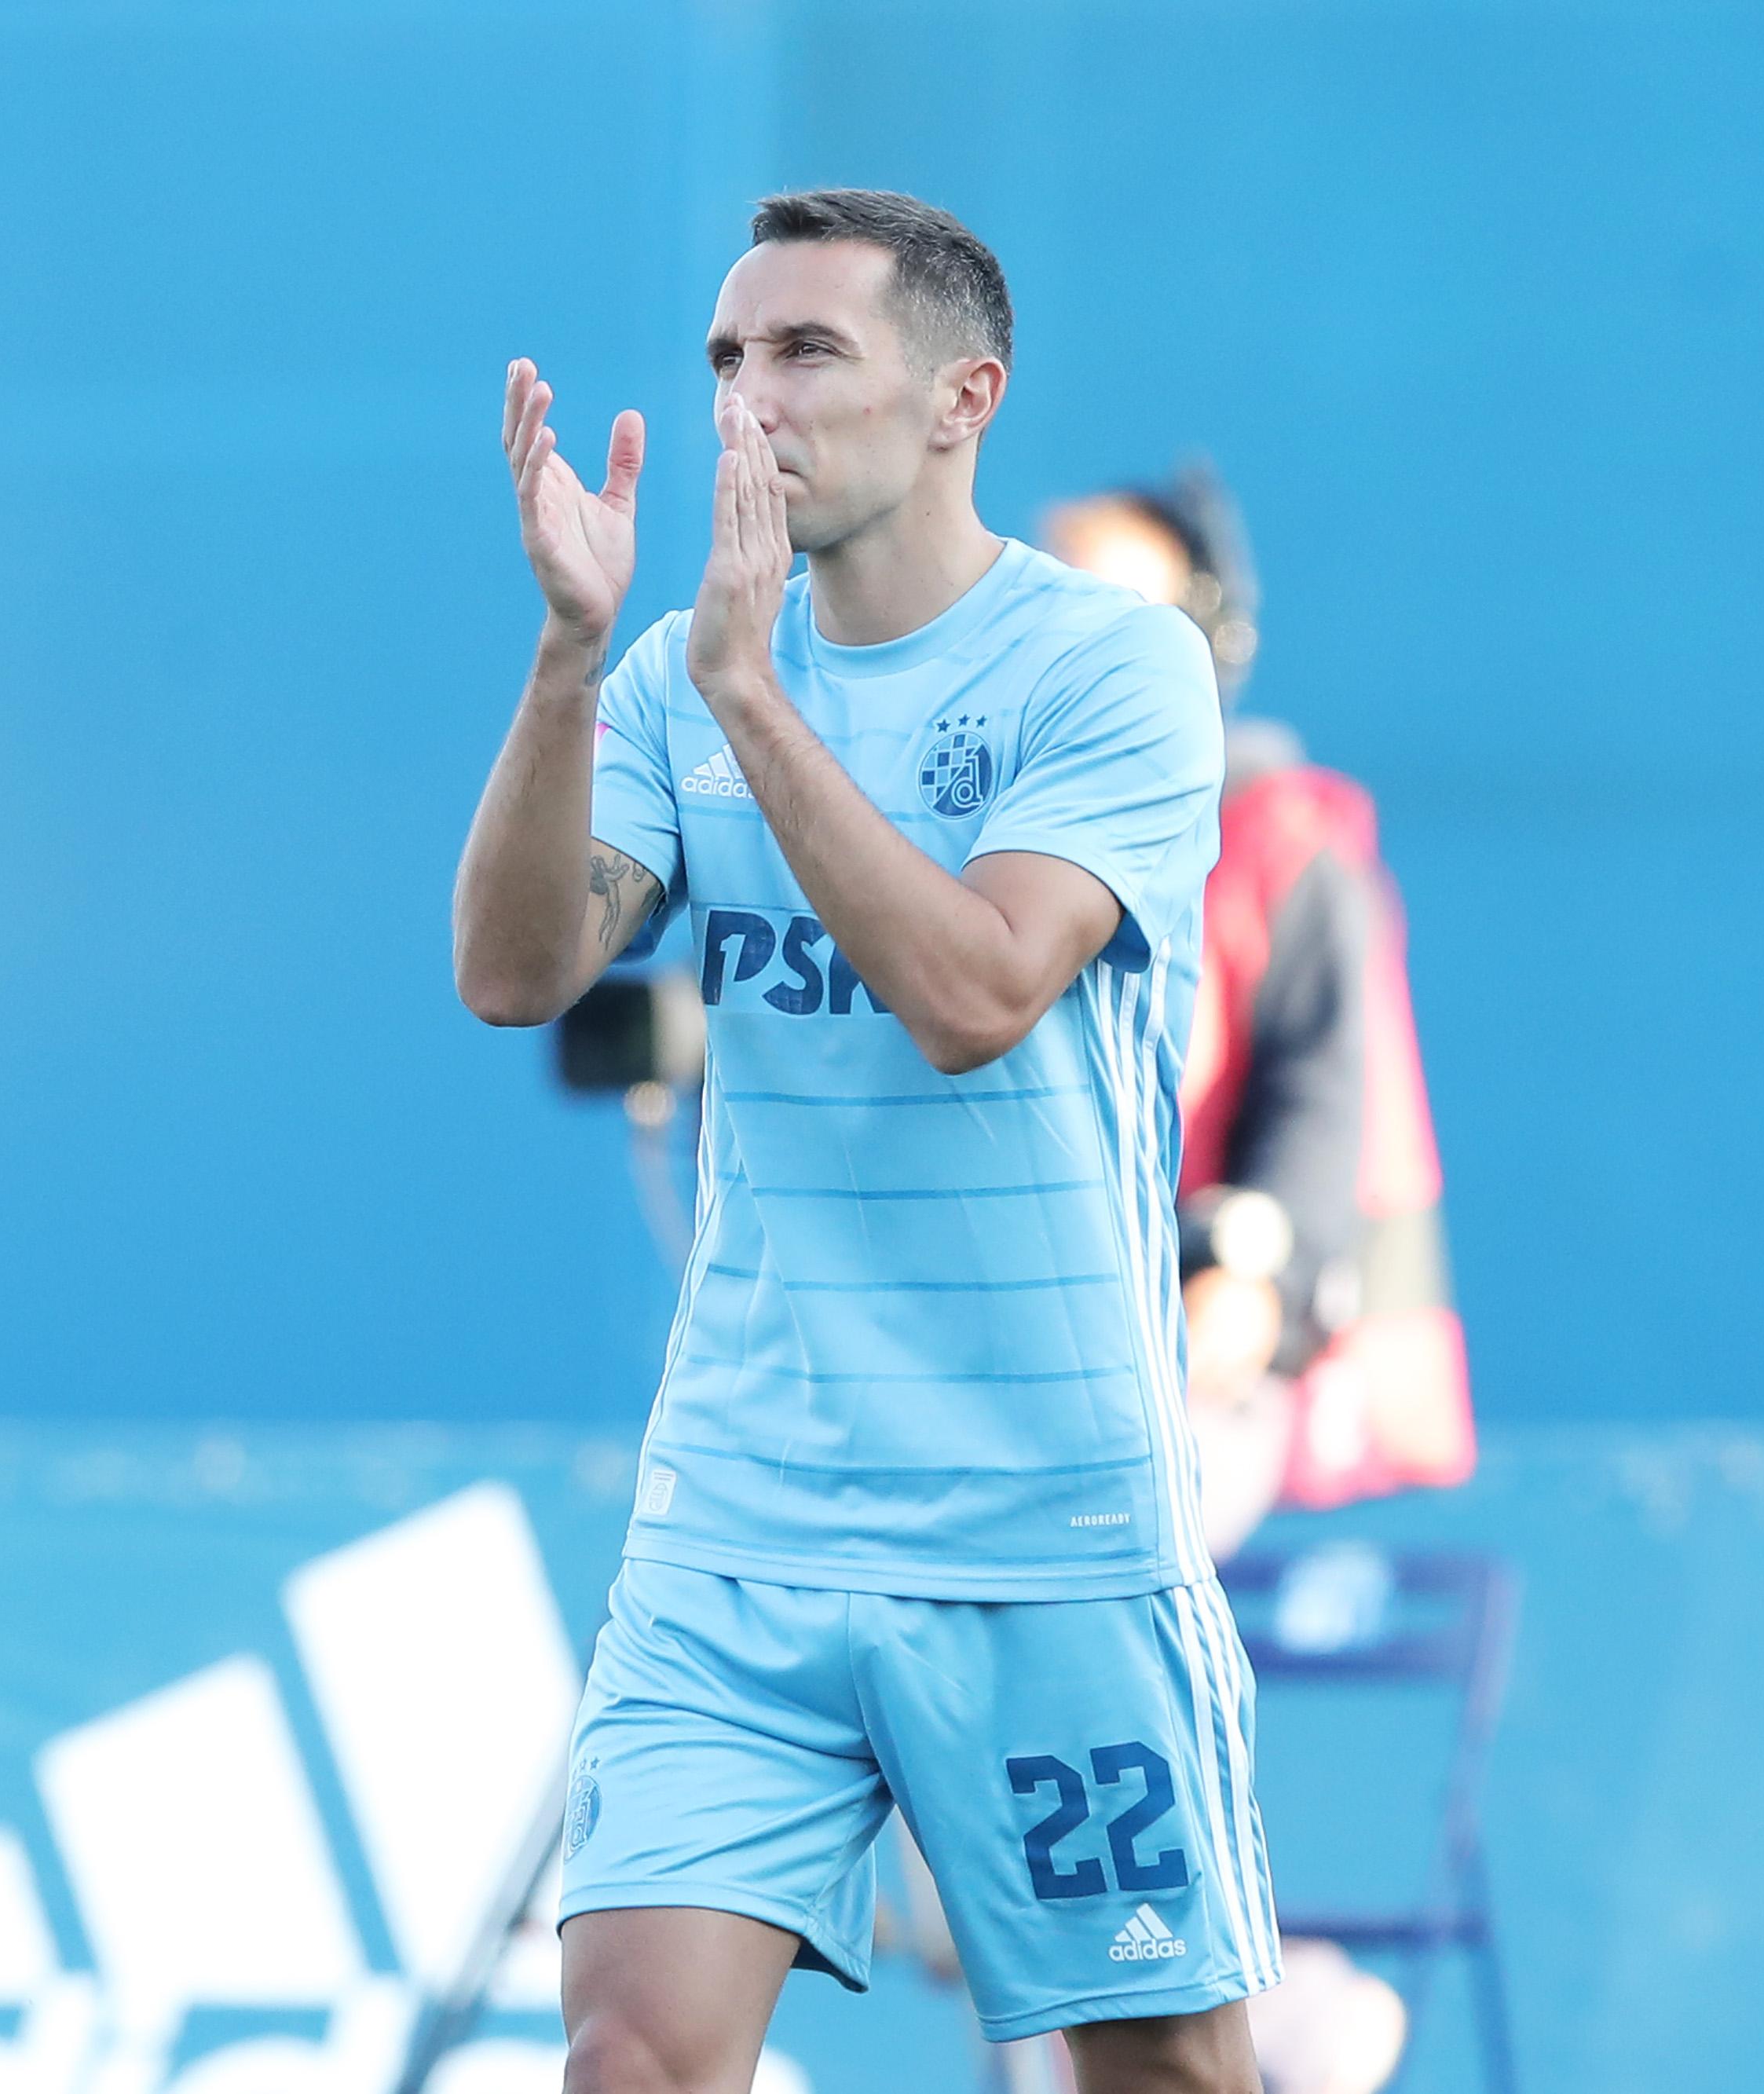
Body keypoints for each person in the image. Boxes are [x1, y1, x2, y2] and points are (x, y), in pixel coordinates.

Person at [453, 189, 1278, 2094]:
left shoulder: (1109, 668)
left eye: (806, 350)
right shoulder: (667, 676)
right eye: (726, 356)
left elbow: (975, 990)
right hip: (741, 1520)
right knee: (630, 2057)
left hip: (1045, 1524)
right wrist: (574, 650)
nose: (748, 399)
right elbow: (511, 972)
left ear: (960, 397)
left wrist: (749, 696)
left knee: (1162, 2072)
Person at [1044, 475, 1474, 1554]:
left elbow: (1313, 1124)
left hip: (1206, 1361)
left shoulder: (1284, 856)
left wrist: (1243, 1293)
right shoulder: (988, 836)